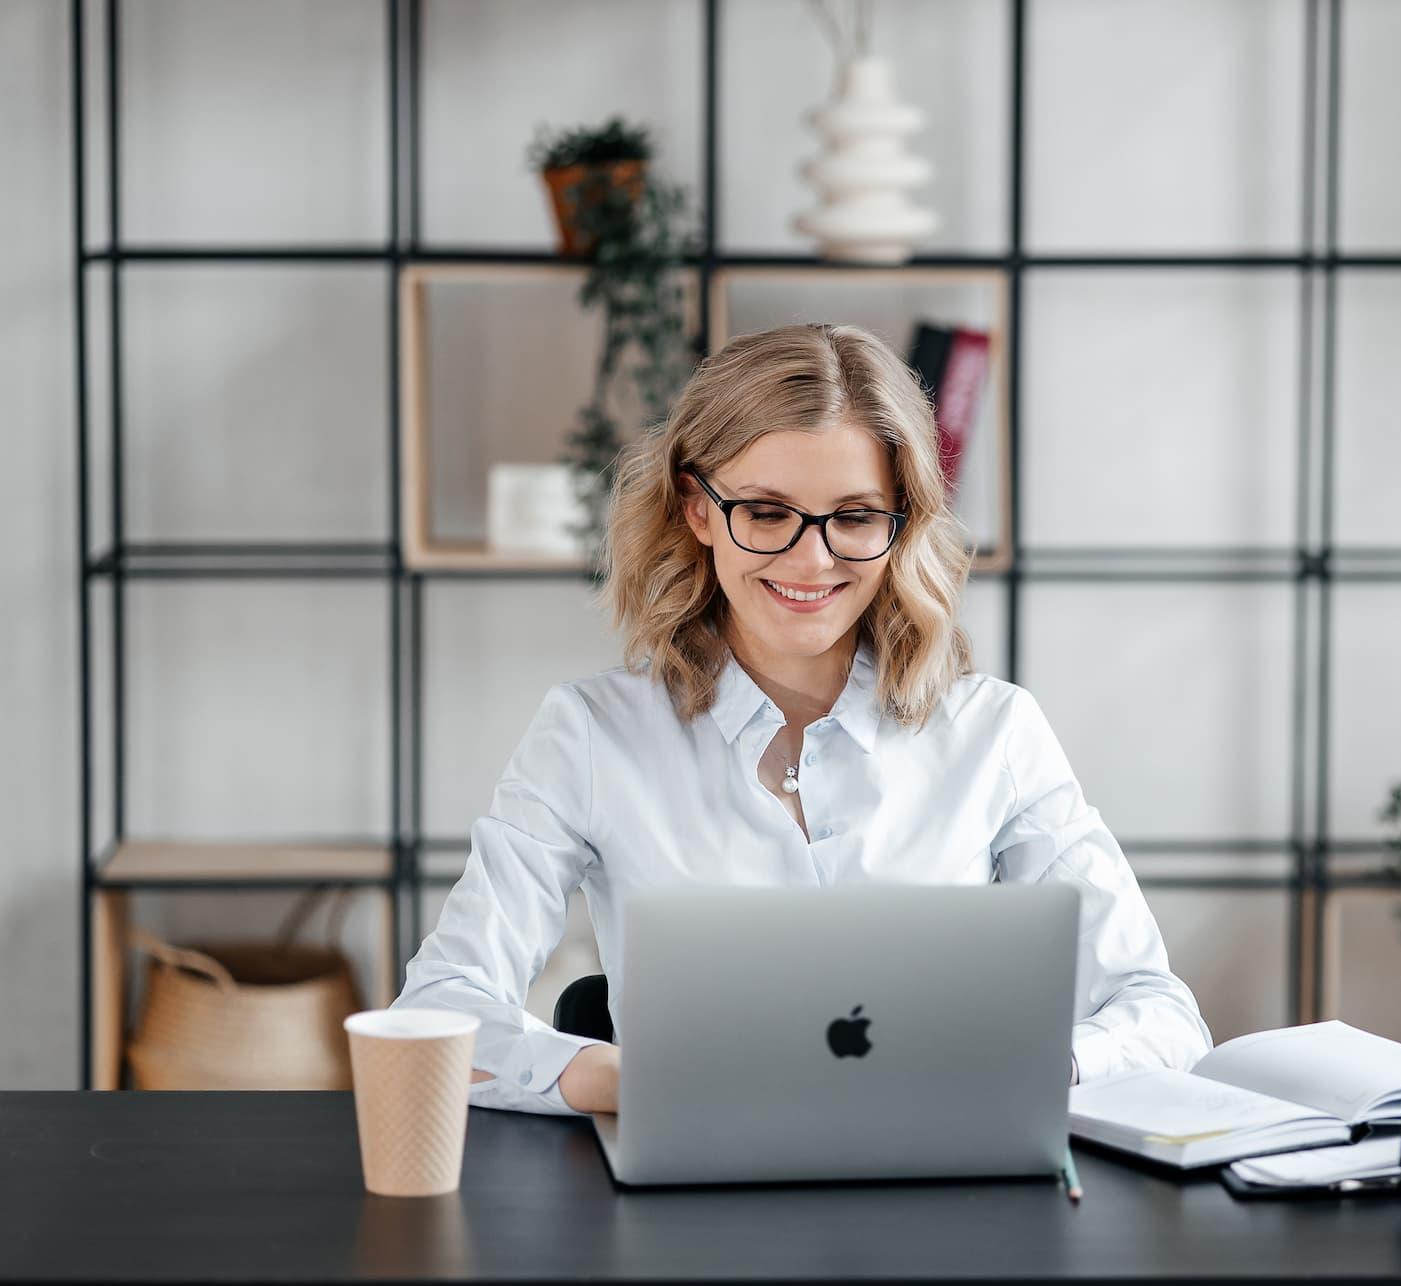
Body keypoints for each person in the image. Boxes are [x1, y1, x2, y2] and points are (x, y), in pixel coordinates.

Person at [390, 321, 1211, 1115]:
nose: (811, 559)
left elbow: (1161, 1014)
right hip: (689, 1205)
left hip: (943, 1196)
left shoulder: (994, 732)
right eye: (767, 512)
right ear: (698, 508)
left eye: (854, 517)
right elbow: (435, 1011)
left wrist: (1040, 1065)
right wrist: (599, 1075)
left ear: (901, 525)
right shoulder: (590, 733)